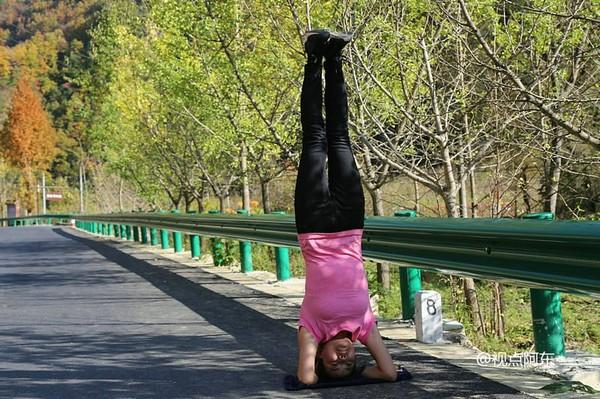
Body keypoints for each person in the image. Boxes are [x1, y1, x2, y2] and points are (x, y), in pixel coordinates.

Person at [294, 29, 397, 385]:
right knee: (340, 135)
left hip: (313, 224)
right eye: (349, 365)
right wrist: (362, 375)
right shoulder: (364, 327)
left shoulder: (312, 327)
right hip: (351, 225)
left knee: (314, 138)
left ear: (319, 356)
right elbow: (389, 372)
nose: (343, 359)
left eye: (333, 364)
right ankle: (335, 58)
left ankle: (312, 59)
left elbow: (306, 380)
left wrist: (326, 377)